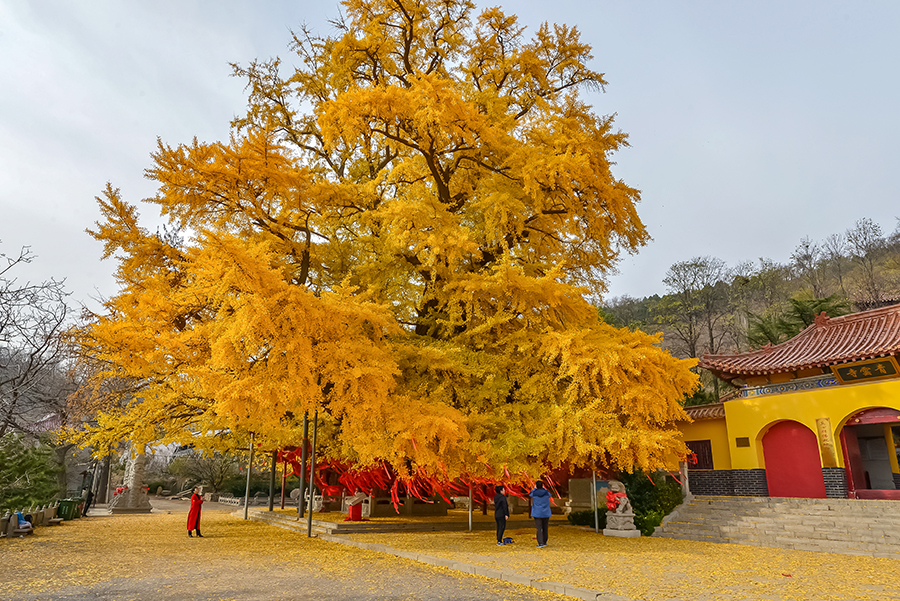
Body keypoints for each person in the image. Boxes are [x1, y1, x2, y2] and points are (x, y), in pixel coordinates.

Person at [529, 480, 551, 548]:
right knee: (545, 528)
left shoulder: (534, 493)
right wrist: (544, 489)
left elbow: (530, 494)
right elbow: (550, 495)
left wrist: (534, 488)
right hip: (546, 513)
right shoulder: (546, 493)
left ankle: (540, 543)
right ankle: (544, 542)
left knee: (539, 528)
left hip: (537, 513)